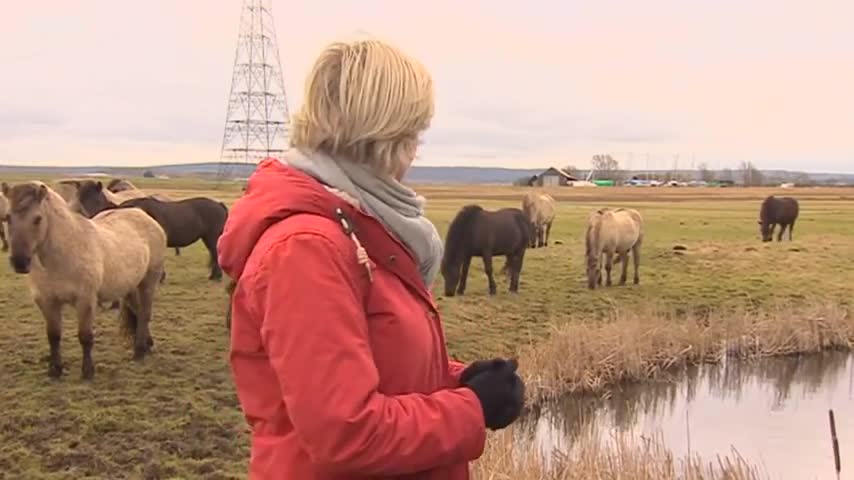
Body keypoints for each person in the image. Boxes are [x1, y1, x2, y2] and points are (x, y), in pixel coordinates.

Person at [217, 38, 525, 479]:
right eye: (413, 136)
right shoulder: (307, 250)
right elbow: (346, 432)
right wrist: (471, 408)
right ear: (384, 139)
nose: (414, 153)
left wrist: (458, 379)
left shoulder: (360, 227)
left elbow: (371, 365)